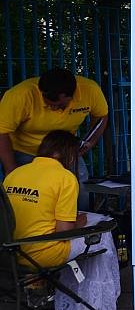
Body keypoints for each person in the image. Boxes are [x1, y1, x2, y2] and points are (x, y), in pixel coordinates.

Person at [3, 130, 120, 310]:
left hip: (10, 253)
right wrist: (80, 221)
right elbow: (64, 231)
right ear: (70, 155)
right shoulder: (64, 178)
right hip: (43, 253)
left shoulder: (15, 174)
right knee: (102, 232)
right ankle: (95, 304)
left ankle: (58, 293)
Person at [0, 67, 108, 207]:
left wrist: (88, 143)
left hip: (64, 149)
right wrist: (11, 169)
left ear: (73, 94)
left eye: (60, 105)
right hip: (25, 150)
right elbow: (2, 131)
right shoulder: (20, 95)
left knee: (79, 182)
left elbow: (101, 116)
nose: (54, 108)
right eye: (49, 104)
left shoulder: (90, 90)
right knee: (28, 191)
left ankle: (83, 217)